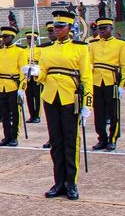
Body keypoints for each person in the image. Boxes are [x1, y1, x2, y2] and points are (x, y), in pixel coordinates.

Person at [35, 10, 92, 201]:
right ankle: (58, 181)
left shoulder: (80, 48)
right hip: (51, 96)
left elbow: (86, 77)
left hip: (70, 96)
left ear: (70, 29)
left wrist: (88, 104)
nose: (57, 30)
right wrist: (35, 73)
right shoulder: (46, 49)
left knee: (70, 141)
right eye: (55, 27)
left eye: (61, 27)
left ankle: (71, 182)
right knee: (56, 141)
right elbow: (43, 75)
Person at [89, 18, 125, 151]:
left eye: (105, 28)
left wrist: (123, 85)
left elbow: (124, 66)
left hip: (112, 81)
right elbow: (90, 63)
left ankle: (113, 138)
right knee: (99, 113)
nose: (102, 31)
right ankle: (102, 138)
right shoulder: (93, 45)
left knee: (113, 113)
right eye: (100, 29)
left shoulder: (120, 45)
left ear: (111, 29)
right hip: (97, 81)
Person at [0, 27, 28, 147]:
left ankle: (14, 136)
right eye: (3, 37)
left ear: (12, 37)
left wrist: (22, 88)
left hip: (13, 85)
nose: (4, 39)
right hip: (1, 85)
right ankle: (6, 136)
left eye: (7, 37)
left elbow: (23, 71)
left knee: (15, 113)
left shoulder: (20, 51)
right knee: (4, 113)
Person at [23, 31, 42, 123]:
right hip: (27, 75)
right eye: (28, 38)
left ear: (35, 40)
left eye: (32, 38)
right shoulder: (23, 50)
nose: (29, 40)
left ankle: (37, 116)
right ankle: (32, 115)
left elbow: (42, 62)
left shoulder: (39, 49)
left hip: (36, 75)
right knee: (29, 96)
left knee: (37, 96)